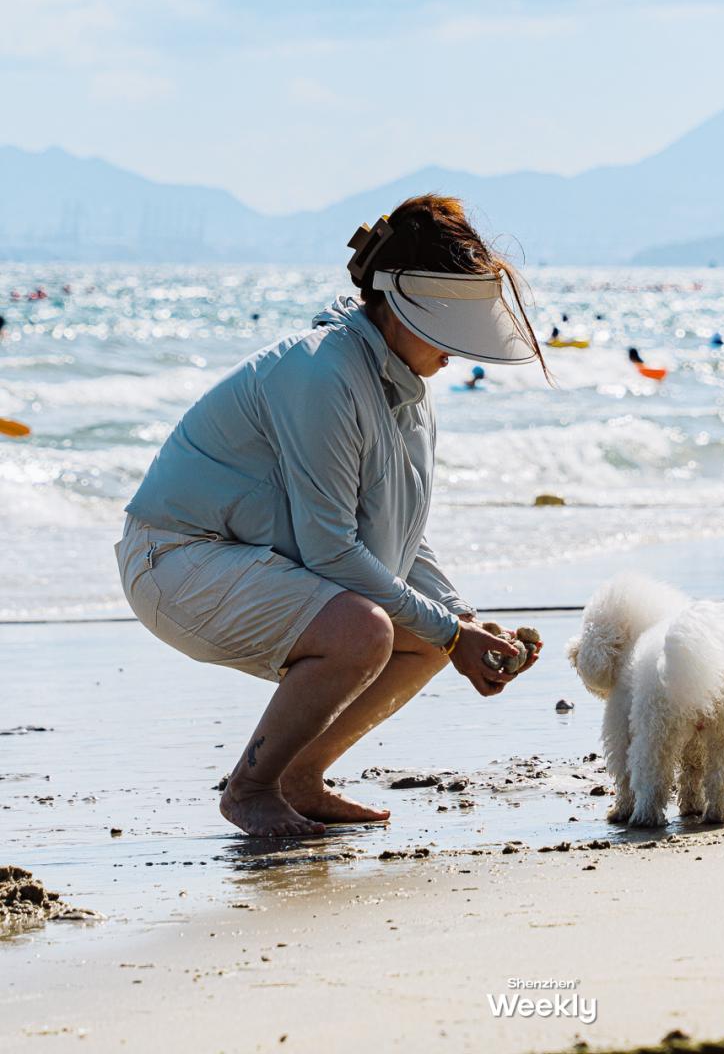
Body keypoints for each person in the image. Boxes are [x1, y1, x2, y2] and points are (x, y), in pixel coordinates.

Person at [115, 196, 547, 840]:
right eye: (449, 321)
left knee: (421, 632)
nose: (460, 351)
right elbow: (330, 549)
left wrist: (462, 620)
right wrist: (457, 637)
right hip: (174, 560)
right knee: (363, 630)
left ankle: (299, 778)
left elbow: (402, 537)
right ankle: (250, 789)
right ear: (403, 305)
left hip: (249, 562)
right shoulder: (321, 371)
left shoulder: (406, 390)